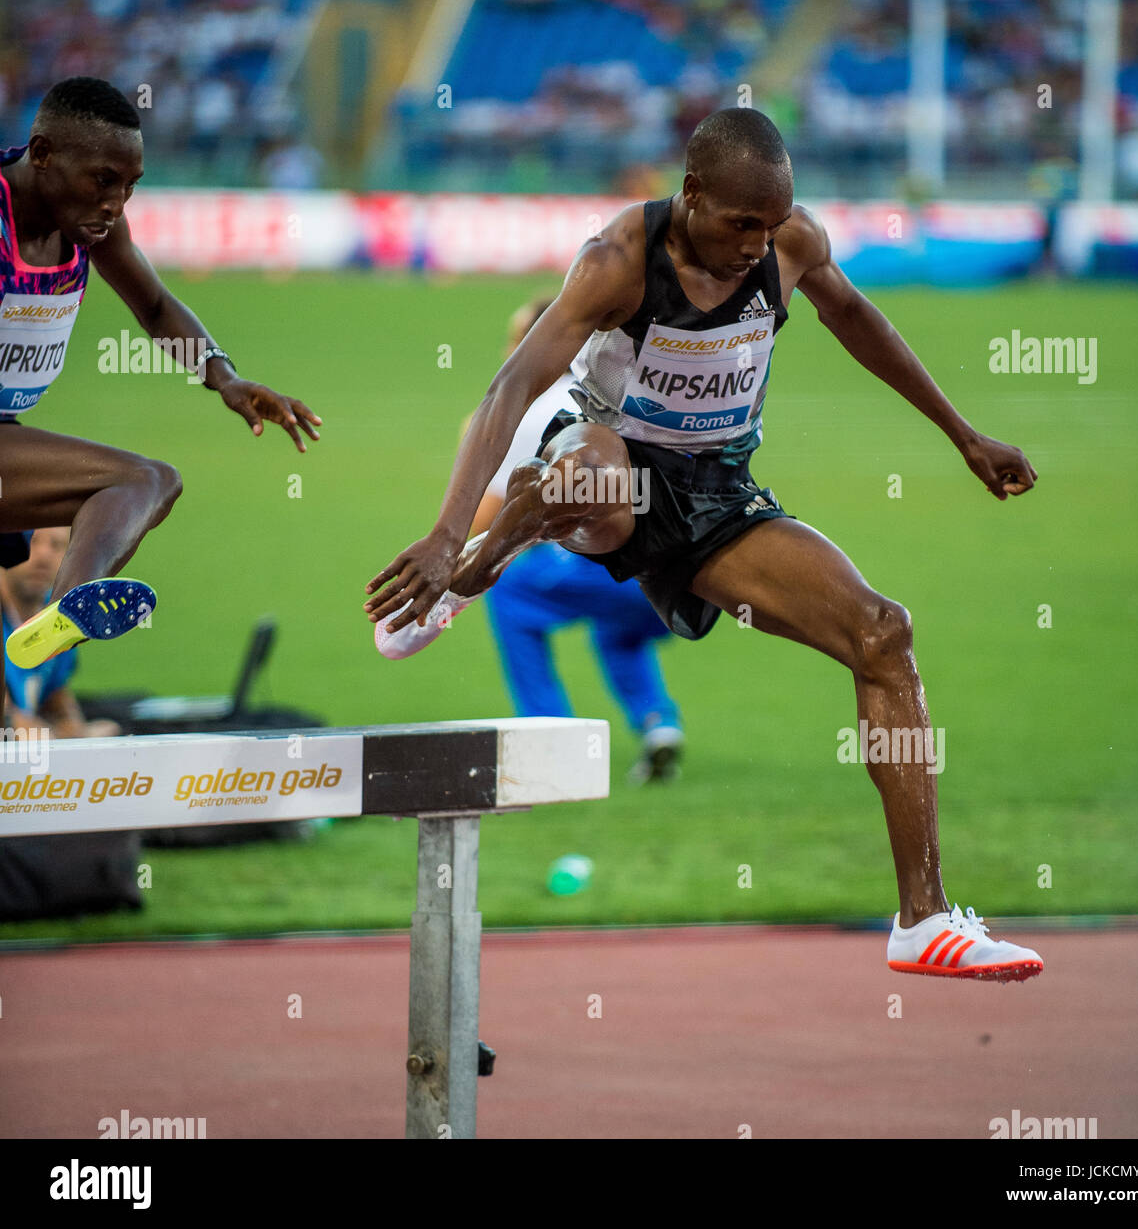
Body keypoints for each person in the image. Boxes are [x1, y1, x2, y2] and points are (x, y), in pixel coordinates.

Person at [366, 107, 1044, 981]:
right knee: (591, 474)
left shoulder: (789, 243)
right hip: (608, 454)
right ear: (691, 196)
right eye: (739, 224)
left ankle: (921, 919)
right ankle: (465, 582)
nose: (756, 246)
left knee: (883, 633)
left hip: (719, 498)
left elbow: (858, 321)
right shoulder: (618, 260)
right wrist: (443, 534)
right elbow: (512, 385)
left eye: (771, 224)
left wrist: (963, 435)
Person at [0, 77, 320, 724]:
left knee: (150, 487)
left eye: (131, 184)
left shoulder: (86, 225)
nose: (117, 201)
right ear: (42, 155)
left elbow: (152, 305)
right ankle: (70, 609)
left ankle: (58, 623)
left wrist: (225, 378)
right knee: (142, 476)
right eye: (103, 180)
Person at [468, 299, 683, 783]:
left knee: (508, 592)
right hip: (667, 573)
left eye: (517, 341)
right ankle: (658, 722)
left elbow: (488, 516)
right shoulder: (624, 393)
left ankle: (552, 739)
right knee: (617, 631)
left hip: (598, 567)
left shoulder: (535, 411)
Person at [2, 528, 120, 739]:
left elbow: (59, 704)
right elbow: (10, 724)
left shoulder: (63, 618)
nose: (44, 555)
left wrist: (77, 729)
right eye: (32, 541)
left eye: (56, 545)